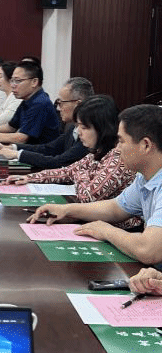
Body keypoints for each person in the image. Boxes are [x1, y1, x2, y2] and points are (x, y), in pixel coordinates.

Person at [28, 104, 162, 267]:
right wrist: (67, 210)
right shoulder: (144, 177)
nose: (117, 148)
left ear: (145, 145)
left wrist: (105, 231)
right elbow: (116, 208)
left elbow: (148, 250)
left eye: (121, 141)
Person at [6, 95, 135, 202]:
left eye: (84, 127)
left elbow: (87, 196)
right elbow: (67, 171)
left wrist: (80, 174)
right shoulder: (98, 151)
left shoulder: (118, 158)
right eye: (78, 126)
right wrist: (30, 178)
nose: (78, 132)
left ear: (102, 129)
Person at [0, 77, 95, 168]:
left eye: (61, 103)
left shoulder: (90, 134)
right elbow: (48, 148)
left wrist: (16, 154)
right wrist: (11, 148)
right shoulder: (72, 128)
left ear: (78, 104)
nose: (58, 108)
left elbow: (58, 162)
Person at [0, 61, 60, 145]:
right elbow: (11, 127)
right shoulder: (27, 99)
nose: (12, 85)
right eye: (12, 80)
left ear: (34, 82)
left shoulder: (40, 102)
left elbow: (22, 138)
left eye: (17, 81)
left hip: (37, 152)